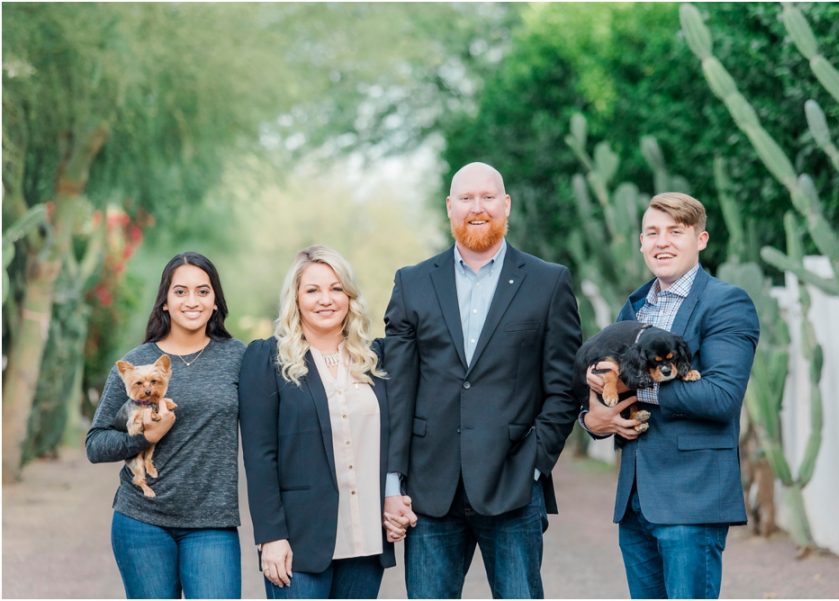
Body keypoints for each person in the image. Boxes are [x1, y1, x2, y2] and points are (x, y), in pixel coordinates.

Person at [383, 162, 582, 598]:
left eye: (488, 197)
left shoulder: (548, 283)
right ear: (450, 207)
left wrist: (534, 460)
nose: (478, 208)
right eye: (467, 199)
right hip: (431, 489)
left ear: (506, 205)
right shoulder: (413, 283)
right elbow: (399, 389)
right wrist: (393, 481)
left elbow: (564, 386)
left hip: (513, 484)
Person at [580, 192, 760, 599]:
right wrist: (593, 420)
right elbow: (603, 379)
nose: (662, 242)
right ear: (641, 243)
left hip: (692, 500)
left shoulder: (726, 303)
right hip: (635, 501)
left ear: (701, 239)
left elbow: (720, 397)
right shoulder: (635, 308)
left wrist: (637, 385)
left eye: (675, 232)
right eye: (652, 233)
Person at [238, 245, 408, 599]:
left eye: (336, 288)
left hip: (365, 540)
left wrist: (395, 493)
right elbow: (260, 457)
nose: (325, 299)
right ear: (295, 299)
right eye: (312, 290)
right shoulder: (267, 360)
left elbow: (394, 437)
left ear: (349, 296)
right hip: (299, 544)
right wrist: (270, 537)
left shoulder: (376, 360)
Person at [86, 252, 246, 599]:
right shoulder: (134, 364)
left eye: (203, 292)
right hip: (141, 522)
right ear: (165, 303)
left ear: (216, 302)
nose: (192, 301)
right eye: (180, 291)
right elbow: (95, 444)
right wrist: (142, 438)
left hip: (212, 524)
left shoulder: (238, 358)